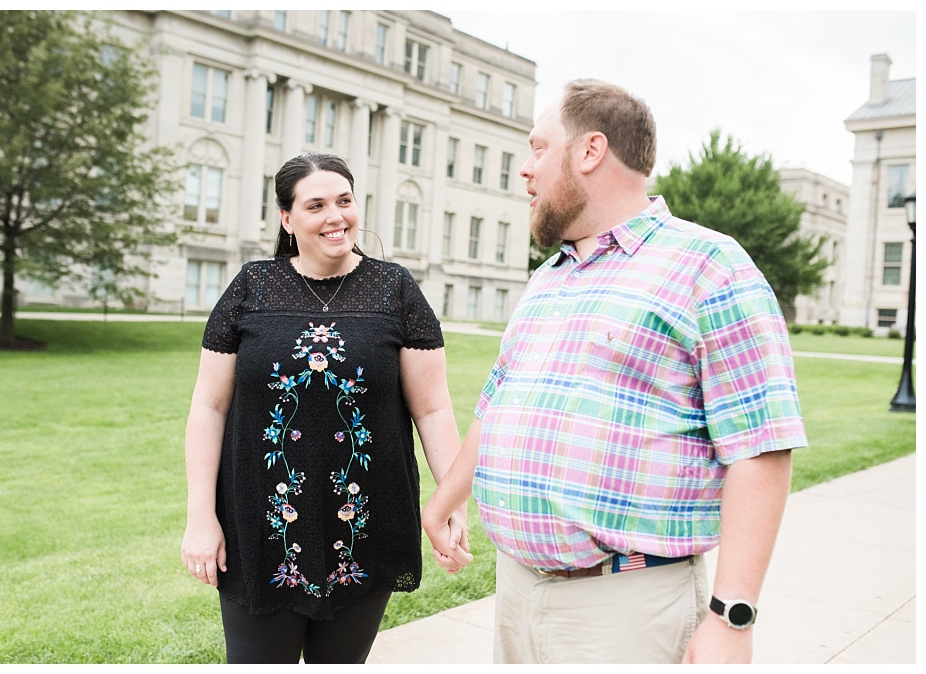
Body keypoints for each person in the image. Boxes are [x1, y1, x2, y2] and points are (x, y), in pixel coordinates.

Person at [422, 79, 807, 664]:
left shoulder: (710, 265)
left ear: (590, 151)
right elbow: (499, 402)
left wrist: (733, 617)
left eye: (539, 148)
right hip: (516, 590)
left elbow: (760, 449)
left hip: (627, 607)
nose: (525, 170)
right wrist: (445, 497)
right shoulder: (549, 276)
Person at [181, 153, 467, 664]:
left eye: (345, 201)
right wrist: (201, 517)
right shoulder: (251, 288)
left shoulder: (395, 290)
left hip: (364, 523)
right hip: (260, 526)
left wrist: (450, 503)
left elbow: (433, 410)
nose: (336, 216)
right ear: (288, 220)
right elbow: (209, 406)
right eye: (316, 205)